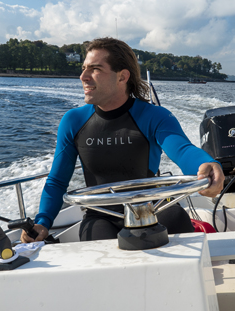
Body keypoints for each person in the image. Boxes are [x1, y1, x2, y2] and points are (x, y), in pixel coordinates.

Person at [21, 37, 224, 243]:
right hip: (100, 215)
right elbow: (57, 181)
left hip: (153, 207)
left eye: (95, 69)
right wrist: (43, 221)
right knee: (98, 242)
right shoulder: (73, 121)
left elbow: (182, 150)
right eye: (84, 68)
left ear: (122, 76)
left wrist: (207, 165)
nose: (83, 76)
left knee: (176, 217)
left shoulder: (154, 116)